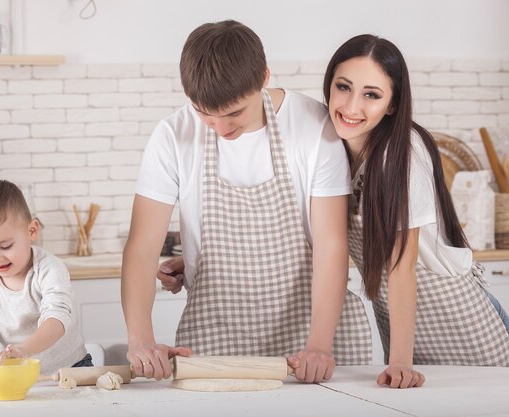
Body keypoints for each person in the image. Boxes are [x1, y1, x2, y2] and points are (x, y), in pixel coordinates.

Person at [121, 20, 372, 384]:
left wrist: (319, 343)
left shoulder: (314, 126)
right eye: (204, 112)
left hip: (311, 342)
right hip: (214, 342)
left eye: (234, 113)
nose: (221, 128)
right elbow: (142, 247)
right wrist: (140, 338)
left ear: (264, 77)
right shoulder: (173, 135)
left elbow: (331, 245)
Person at [323, 34, 509, 388]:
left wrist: (400, 361)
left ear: (392, 104)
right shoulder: (336, 146)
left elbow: (400, 267)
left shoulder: (401, 152)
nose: (350, 106)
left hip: (462, 322)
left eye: (371, 95)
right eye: (343, 86)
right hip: (403, 324)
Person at [0, 179, 91, 393]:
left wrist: (23, 350)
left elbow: (57, 318)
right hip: (16, 375)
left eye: (5, 246)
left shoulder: (50, 269)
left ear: (31, 231)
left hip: (71, 372)